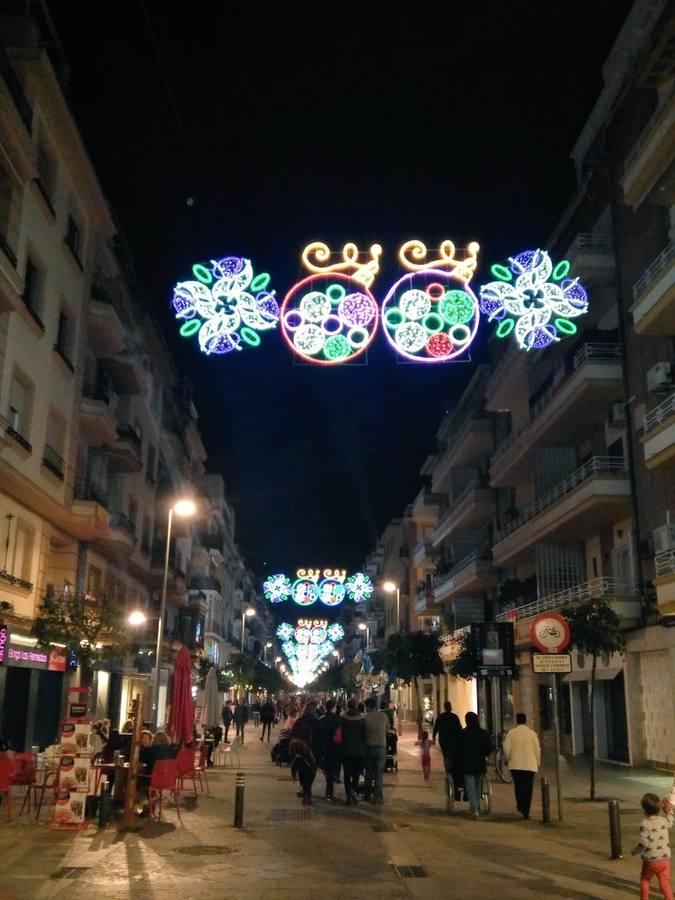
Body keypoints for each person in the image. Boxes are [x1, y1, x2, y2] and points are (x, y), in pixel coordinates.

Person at [632, 792, 674, 900]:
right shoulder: (663, 821)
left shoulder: (645, 824)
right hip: (665, 860)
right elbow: (670, 822)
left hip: (651, 860)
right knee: (665, 884)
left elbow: (644, 843)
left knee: (645, 880)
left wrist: (635, 851)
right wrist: (669, 811)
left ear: (644, 810)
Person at [503, 712, 541, 820]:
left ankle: (520, 805)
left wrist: (508, 758)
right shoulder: (532, 734)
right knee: (528, 788)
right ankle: (526, 811)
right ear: (525, 721)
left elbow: (506, 748)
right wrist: (537, 762)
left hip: (516, 764)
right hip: (530, 765)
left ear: (516, 721)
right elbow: (537, 750)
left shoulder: (512, 733)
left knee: (518, 786)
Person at [458, 712, 493, 819]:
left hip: (467, 764)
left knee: (470, 788)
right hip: (479, 764)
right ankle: (476, 806)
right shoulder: (483, 733)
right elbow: (489, 747)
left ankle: (474, 809)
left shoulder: (463, 734)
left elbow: (458, 750)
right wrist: (484, 754)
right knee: (477, 787)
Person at [289, 701, 321, 805]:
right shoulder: (316, 722)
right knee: (311, 772)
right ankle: (307, 794)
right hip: (313, 752)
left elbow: (293, 735)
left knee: (302, 771)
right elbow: (321, 737)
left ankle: (305, 790)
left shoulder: (300, 721)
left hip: (300, 751)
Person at [433, 701, 463, 799]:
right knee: (453, 754)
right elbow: (460, 728)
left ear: (444, 707)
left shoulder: (441, 717)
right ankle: (451, 767)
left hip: (444, 740)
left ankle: (448, 769)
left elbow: (435, 728)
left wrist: (433, 737)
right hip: (454, 740)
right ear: (451, 707)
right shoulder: (455, 717)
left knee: (446, 755)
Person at [340, 699, 366, 805]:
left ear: (347, 706)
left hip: (345, 750)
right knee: (356, 773)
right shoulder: (362, 718)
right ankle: (353, 791)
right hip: (358, 750)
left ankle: (348, 796)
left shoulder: (342, 718)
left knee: (347, 774)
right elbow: (364, 735)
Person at [364, 697, 388, 803]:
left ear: (368, 707)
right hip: (381, 747)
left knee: (369, 772)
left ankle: (367, 795)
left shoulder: (365, 717)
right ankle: (377, 797)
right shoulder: (383, 716)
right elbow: (387, 729)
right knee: (379, 774)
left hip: (369, 747)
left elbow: (363, 733)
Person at [318, 699, 341, 801]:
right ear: (333, 708)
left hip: (324, 747)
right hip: (334, 748)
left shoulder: (322, 719)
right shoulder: (337, 719)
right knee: (331, 771)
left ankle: (328, 791)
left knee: (326, 769)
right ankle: (329, 792)